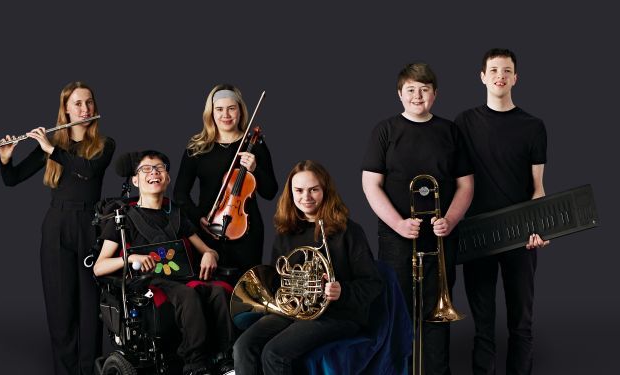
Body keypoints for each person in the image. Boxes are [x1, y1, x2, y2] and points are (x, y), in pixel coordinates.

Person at [361, 62, 474, 375]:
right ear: (400, 94)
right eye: (411, 89)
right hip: (397, 237)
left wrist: (450, 219)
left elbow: (466, 184)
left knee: (437, 313)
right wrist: (398, 223)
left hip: (441, 235)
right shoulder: (384, 131)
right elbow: (370, 184)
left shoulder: (450, 131)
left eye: (424, 89)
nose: (417, 95)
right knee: (398, 311)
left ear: (435, 94)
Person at [0, 81, 115, 375]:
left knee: (90, 308)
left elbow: (87, 172)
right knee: (60, 307)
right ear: (65, 108)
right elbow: (12, 179)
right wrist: (5, 158)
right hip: (57, 227)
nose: (84, 109)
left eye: (89, 102)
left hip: (91, 226)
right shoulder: (53, 146)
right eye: (77, 103)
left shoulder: (104, 144)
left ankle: (88, 370)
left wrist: (50, 149)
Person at [233, 160, 383, 375]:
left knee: (274, 352)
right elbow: (278, 282)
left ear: (325, 190)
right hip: (295, 311)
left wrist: (342, 290)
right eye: (299, 190)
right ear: (291, 193)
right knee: (243, 346)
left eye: (314, 189)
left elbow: (373, 284)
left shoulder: (348, 231)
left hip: (338, 315)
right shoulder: (286, 232)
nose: (306, 197)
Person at [94, 150, 236, 375]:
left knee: (217, 292)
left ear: (168, 178)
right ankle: (195, 364)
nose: (154, 173)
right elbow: (99, 267)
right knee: (187, 294)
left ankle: (224, 359)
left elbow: (207, 249)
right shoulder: (124, 218)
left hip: (181, 278)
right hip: (148, 283)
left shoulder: (176, 214)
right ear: (135, 180)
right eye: (146, 169)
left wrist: (211, 254)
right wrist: (130, 258)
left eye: (160, 168)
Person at [454, 48, 549, 375]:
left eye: (507, 71)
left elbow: (538, 188)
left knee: (521, 326)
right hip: (477, 236)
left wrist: (539, 227)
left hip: (522, 236)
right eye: (494, 70)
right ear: (482, 76)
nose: (500, 76)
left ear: (515, 78)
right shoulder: (464, 122)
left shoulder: (534, 126)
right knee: (483, 328)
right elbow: (455, 179)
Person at [174, 84, 278, 274]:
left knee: (245, 292)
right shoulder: (197, 147)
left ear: (240, 111)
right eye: (219, 109)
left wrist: (255, 170)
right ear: (211, 113)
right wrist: (199, 218)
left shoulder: (253, 144)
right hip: (207, 228)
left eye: (232, 108)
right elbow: (180, 193)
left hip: (247, 230)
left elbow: (270, 192)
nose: (226, 115)